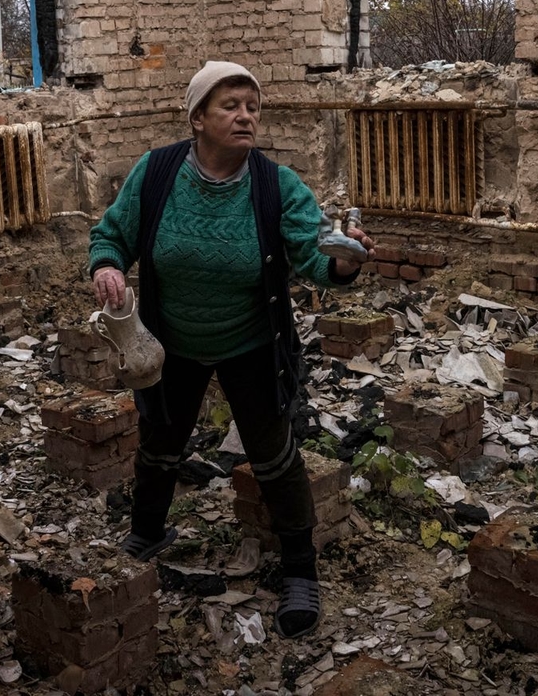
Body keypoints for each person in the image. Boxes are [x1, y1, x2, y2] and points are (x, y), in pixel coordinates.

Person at [87, 61, 373, 639]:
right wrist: (108, 265)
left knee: (273, 454)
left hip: (251, 342)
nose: (246, 116)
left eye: (252, 106)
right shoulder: (159, 171)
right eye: (231, 105)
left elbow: (315, 258)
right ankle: (146, 532)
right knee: (160, 441)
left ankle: (300, 571)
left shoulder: (277, 186)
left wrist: (343, 262)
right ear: (197, 118)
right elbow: (111, 232)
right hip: (171, 342)